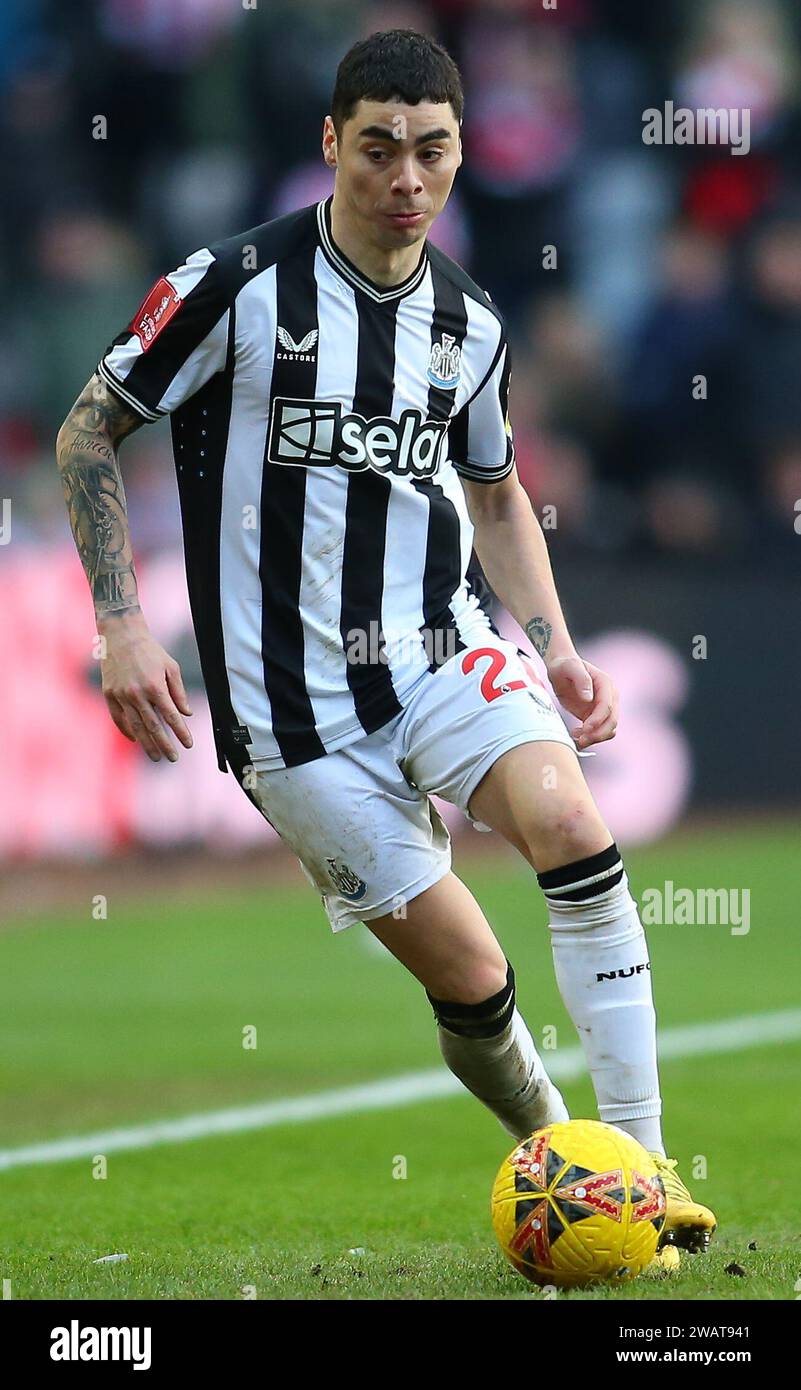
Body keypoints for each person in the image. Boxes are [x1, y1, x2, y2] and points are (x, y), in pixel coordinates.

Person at [56, 28, 714, 1271]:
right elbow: (90, 430)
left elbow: (498, 491)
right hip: (288, 714)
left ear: (460, 153)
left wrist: (556, 644)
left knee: (574, 827)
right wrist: (123, 618)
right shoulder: (235, 285)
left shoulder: (468, 320)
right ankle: (563, 1145)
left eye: (431, 150)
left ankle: (645, 1166)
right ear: (331, 147)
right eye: (377, 149)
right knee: (471, 976)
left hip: (440, 649)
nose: (405, 177)